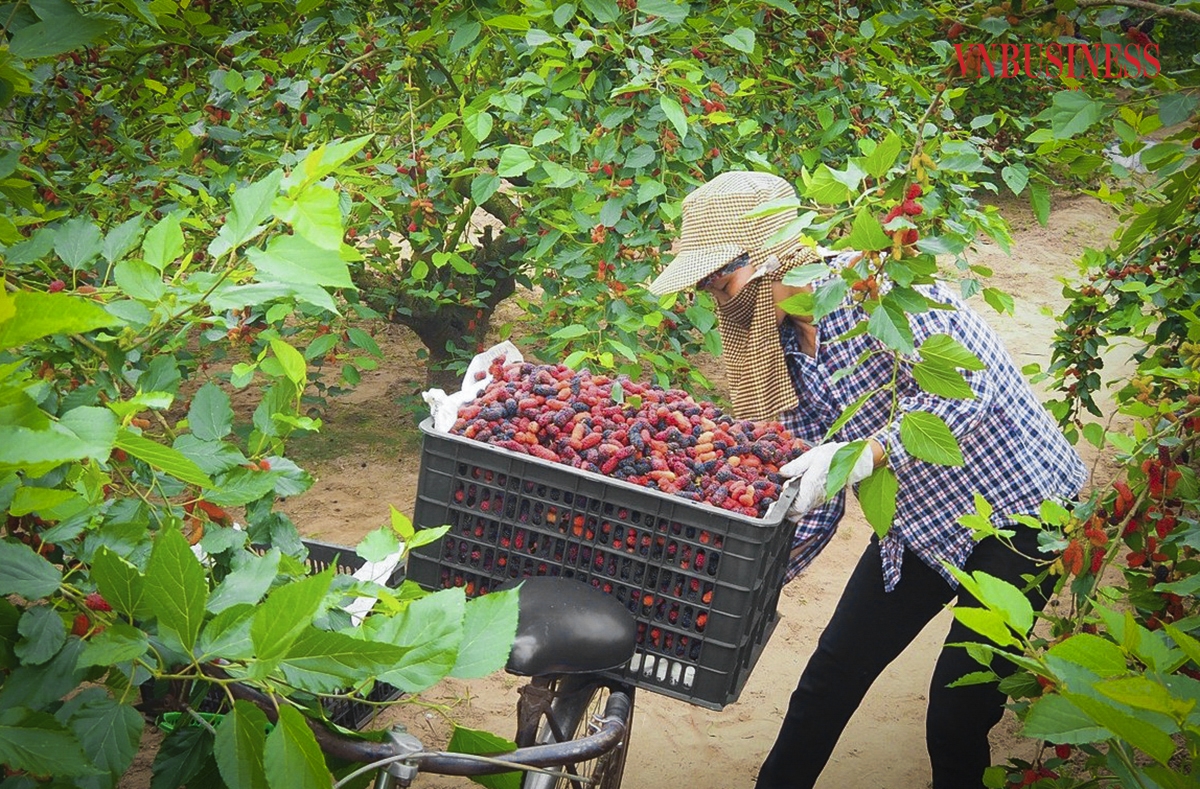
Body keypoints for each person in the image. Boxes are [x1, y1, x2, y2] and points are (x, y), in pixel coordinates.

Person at [647, 171, 1087, 789]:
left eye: (719, 274)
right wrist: (750, 575)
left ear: (772, 250)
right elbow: (818, 489)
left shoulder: (880, 285)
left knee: (957, 712)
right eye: (706, 282)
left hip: (1019, 509)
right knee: (831, 676)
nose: (715, 293)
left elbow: (969, 394)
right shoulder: (782, 347)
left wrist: (870, 451)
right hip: (920, 521)